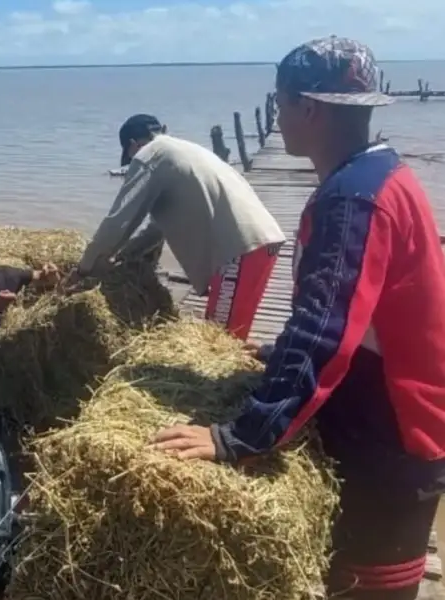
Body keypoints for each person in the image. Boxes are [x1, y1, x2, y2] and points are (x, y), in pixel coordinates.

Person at [152, 36, 445, 600]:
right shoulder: (377, 174)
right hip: (394, 411)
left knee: (366, 589)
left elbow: (323, 330)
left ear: (308, 108)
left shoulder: (352, 200)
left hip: (394, 436)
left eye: (279, 101)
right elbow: (357, 311)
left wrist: (239, 437)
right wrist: (277, 353)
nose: (278, 114)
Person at [71, 114, 287, 341]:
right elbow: (155, 231)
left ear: (134, 144)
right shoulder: (180, 150)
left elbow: (119, 221)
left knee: (221, 343)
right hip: (259, 242)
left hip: (238, 252)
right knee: (229, 337)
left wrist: (84, 268)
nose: (132, 160)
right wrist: (125, 257)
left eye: (130, 155)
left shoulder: (149, 156)